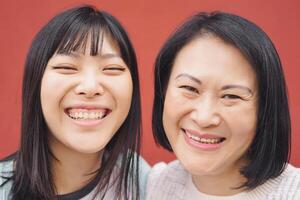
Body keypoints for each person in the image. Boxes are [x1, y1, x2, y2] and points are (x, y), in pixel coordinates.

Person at [0, 5, 150, 200]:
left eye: (111, 68)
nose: (90, 87)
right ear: (35, 84)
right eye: (67, 67)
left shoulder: (144, 182)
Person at [147, 11, 300, 199]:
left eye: (231, 96)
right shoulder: (152, 185)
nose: (204, 118)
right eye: (190, 88)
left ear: (264, 110)